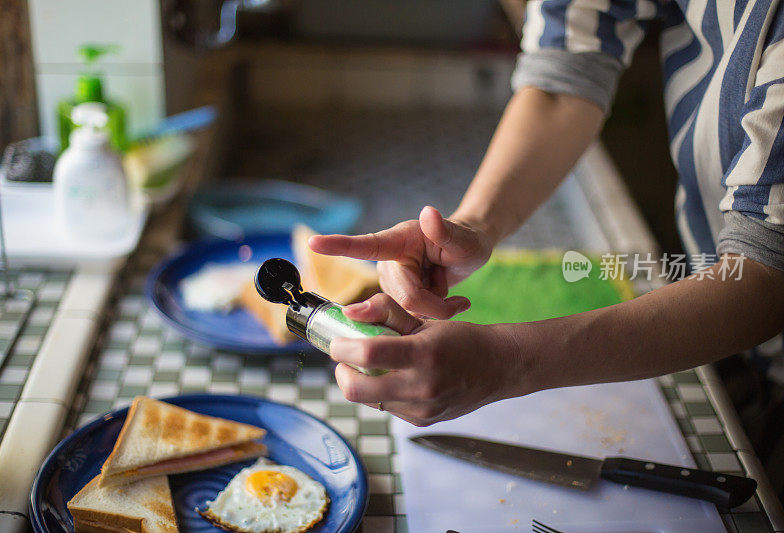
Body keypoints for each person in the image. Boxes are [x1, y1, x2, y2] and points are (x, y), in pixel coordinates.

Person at [308, 0, 784, 429]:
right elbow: (564, 81)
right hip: (738, 355)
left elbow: (768, 273)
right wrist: (470, 228)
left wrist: (507, 361)